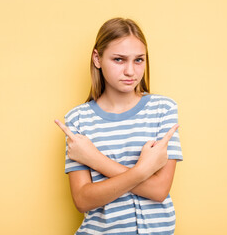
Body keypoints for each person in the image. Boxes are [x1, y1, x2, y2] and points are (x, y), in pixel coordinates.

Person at [54, 17, 183, 234]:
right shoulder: (78, 119)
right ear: (97, 58)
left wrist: (94, 159)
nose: (131, 72)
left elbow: (160, 190)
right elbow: (83, 200)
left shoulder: (163, 109)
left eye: (139, 60)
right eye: (119, 60)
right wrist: (144, 171)